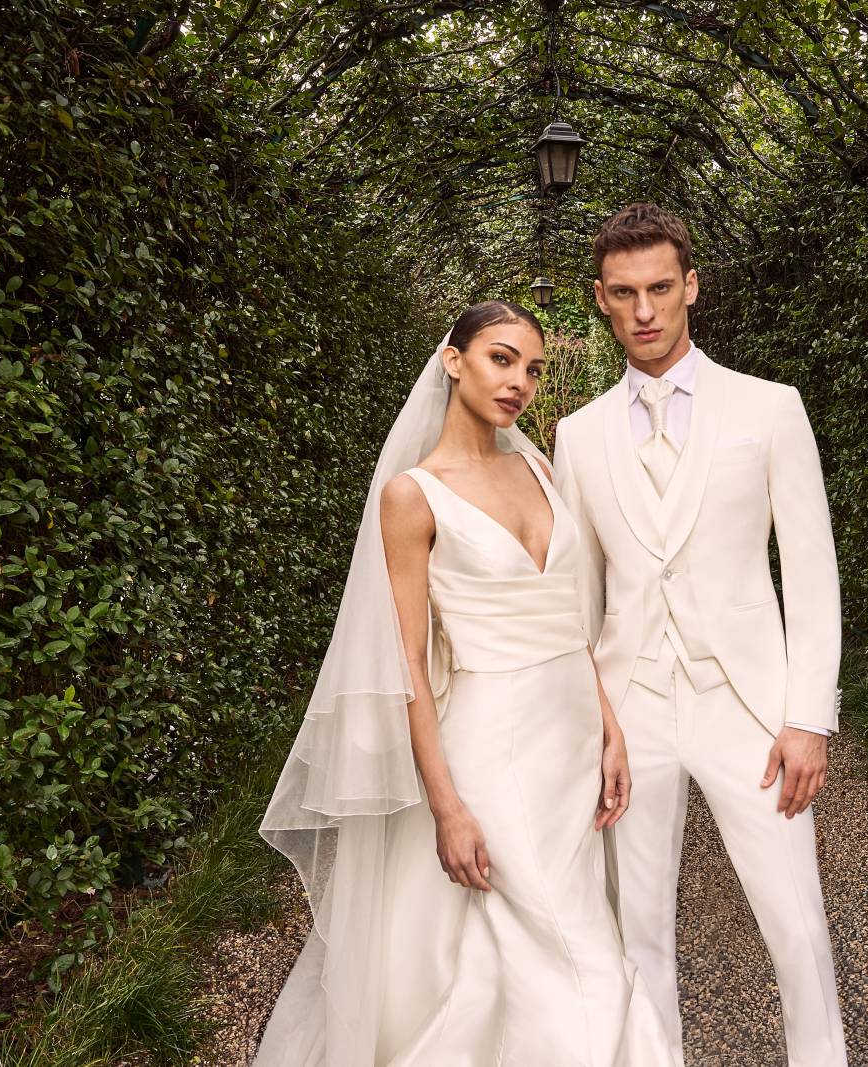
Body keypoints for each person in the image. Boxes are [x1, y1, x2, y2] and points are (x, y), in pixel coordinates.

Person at [253, 300, 675, 1067]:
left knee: (511, 947)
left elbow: (568, 618)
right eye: (501, 358)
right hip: (495, 742)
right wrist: (445, 806)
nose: (520, 381)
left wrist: (610, 726)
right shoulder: (412, 495)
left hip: (572, 740)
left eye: (534, 368)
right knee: (578, 950)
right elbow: (407, 662)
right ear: (455, 361)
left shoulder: (539, 467)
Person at [551, 203, 849, 1067]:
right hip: (631, 712)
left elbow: (814, 573)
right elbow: (578, 600)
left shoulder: (771, 408)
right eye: (623, 293)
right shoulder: (578, 436)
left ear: (691, 287)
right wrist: (595, 722)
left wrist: (809, 718)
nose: (644, 310)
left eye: (658, 288)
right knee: (638, 931)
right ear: (600, 301)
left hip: (749, 707)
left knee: (796, 925)